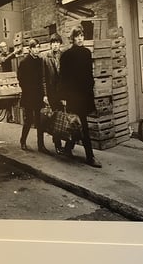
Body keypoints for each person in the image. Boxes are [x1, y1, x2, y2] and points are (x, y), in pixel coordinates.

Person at [59, 26, 102, 168]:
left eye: (82, 35)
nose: (80, 38)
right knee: (83, 125)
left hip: (85, 95)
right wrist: (64, 96)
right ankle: (90, 157)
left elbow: (89, 74)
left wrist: (91, 89)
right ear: (72, 38)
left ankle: (67, 149)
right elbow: (63, 78)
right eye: (77, 36)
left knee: (77, 125)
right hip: (74, 96)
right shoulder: (66, 55)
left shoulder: (87, 53)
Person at [17, 39, 48, 153]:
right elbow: (20, 79)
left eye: (38, 47)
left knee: (39, 121)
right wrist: (27, 90)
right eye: (34, 47)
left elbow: (42, 78)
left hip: (38, 95)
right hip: (28, 96)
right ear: (30, 49)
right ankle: (23, 141)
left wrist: (43, 94)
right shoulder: (24, 62)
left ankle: (41, 145)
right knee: (29, 120)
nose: (36, 49)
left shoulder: (40, 61)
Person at [42, 32, 64, 153]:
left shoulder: (64, 56)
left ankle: (67, 144)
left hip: (62, 92)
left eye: (57, 43)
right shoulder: (46, 58)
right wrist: (45, 94)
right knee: (56, 117)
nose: (55, 45)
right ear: (50, 45)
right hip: (52, 93)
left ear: (60, 44)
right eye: (53, 43)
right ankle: (57, 143)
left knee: (64, 117)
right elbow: (44, 78)